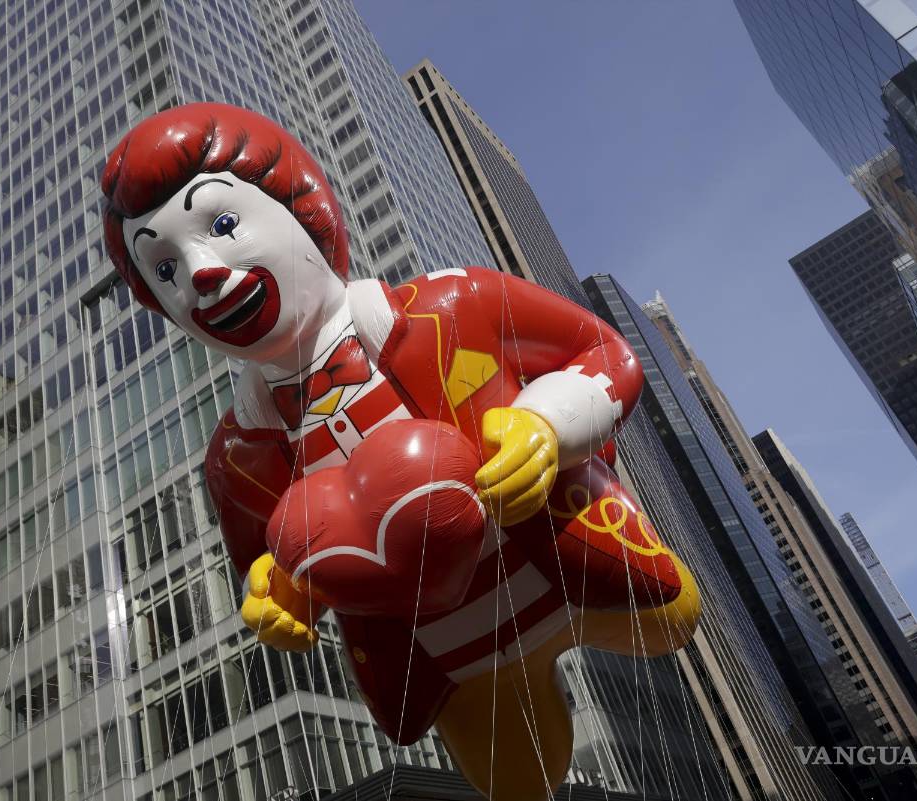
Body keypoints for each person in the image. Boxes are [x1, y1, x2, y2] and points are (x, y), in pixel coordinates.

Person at [102, 102, 701, 800]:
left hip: (580, 563)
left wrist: (546, 424)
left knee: (674, 617)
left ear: (303, 206)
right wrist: (280, 596)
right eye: (165, 267)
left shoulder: (453, 304)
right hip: (455, 665)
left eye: (224, 224)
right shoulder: (236, 457)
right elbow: (265, 563)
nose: (201, 272)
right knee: (514, 784)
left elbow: (603, 352)